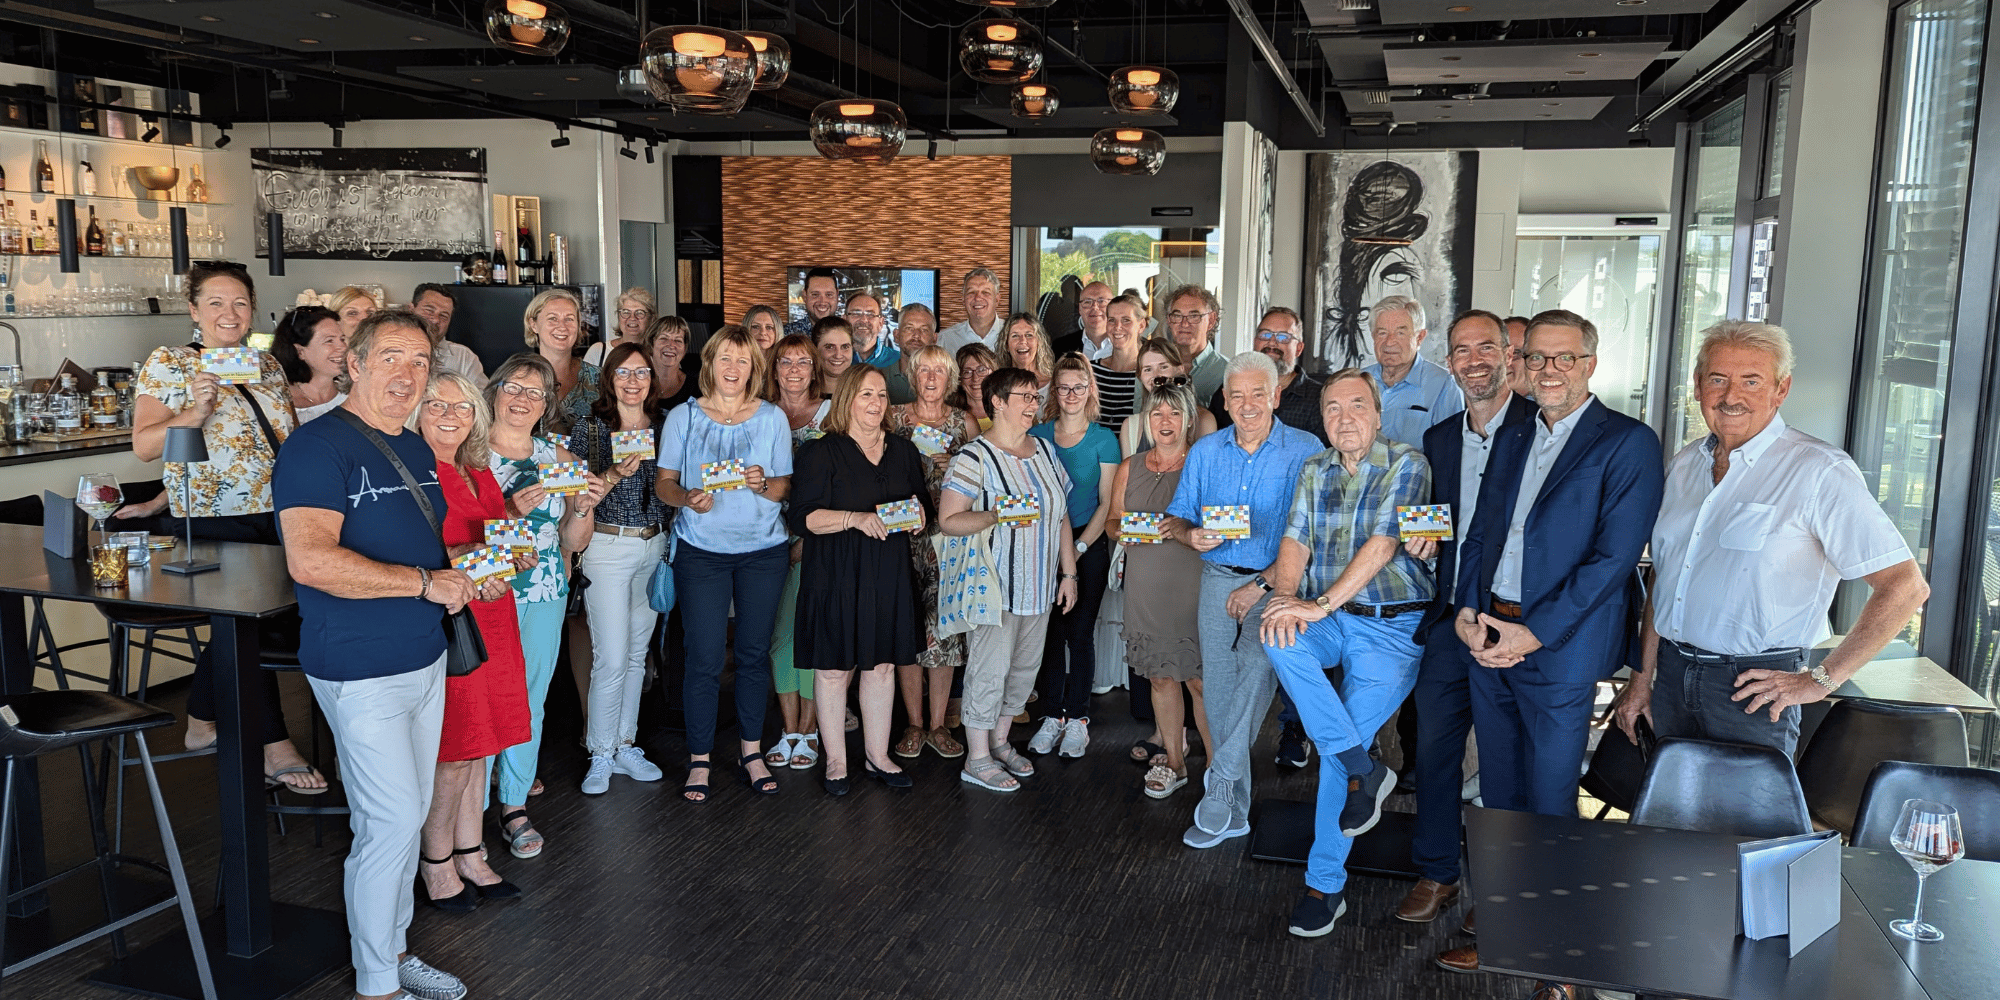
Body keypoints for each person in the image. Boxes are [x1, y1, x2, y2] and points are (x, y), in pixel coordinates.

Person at [1435, 310, 1664, 993]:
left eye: (1565, 359)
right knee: (1500, 798)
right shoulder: (1511, 435)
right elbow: (1479, 533)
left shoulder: (1628, 443)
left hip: (1556, 648)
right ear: (1521, 365)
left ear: (1591, 364)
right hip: (1489, 632)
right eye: (1537, 359)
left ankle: (1561, 954)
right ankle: (1506, 931)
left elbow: (1612, 559)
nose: (1549, 371)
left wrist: (1533, 634)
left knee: (1551, 796)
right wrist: (1468, 614)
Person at [1610, 321, 1929, 756]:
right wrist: (1643, 678)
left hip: (1755, 689)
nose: (1731, 396)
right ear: (1698, 386)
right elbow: (1666, 581)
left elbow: (1905, 586)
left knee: (1746, 823)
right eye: (1718, 379)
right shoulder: (1684, 465)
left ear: (1781, 390)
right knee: (1668, 821)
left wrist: (1820, 680)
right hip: (1669, 676)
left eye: (1751, 381)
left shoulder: (1819, 470)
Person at [273, 308, 471, 1000]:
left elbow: (420, 549)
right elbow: (311, 562)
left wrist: (462, 573)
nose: (406, 374)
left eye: (419, 360)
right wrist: (424, 583)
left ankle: (391, 949)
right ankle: (378, 984)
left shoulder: (416, 447)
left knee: (406, 816)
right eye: (390, 357)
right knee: (388, 824)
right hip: (357, 667)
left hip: (423, 656)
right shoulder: (314, 449)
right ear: (353, 363)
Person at [123, 262, 324, 792]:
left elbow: (267, 443)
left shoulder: (266, 365)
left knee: (266, 625)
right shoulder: (169, 363)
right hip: (216, 517)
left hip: (280, 512)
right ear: (193, 310)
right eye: (215, 303)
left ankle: (199, 719)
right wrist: (193, 411)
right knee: (247, 626)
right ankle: (274, 746)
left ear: (252, 309)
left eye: (239, 303)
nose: (228, 313)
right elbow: (146, 447)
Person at [1258, 370, 1434, 937]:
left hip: (1390, 627)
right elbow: (1295, 540)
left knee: (1334, 757)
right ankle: (1366, 766)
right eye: (1333, 408)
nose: (1344, 417)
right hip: (1332, 616)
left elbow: (1384, 544)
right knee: (1275, 631)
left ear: (1379, 415)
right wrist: (1286, 600)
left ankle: (1323, 885)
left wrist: (1318, 604)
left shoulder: (1407, 463)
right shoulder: (1315, 468)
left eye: (1357, 405)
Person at [1396, 309, 1536, 927]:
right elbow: (1441, 517)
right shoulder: (1440, 437)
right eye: (1462, 350)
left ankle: (1498, 894)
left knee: (1505, 761)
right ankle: (1437, 872)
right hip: (1449, 618)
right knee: (1433, 751)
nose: (1474, 359)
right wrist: (1421, 538)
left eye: (1487, 347)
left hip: (1511, 623)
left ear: (1510, 354)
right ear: (1447, 361)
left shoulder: (1541, 429)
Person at [1163, 352, 1322, 849]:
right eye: (1238, 395)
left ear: (1276, 396)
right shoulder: (1207, 452)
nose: (1248, 405)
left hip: (1278, 586)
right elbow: (1175, 519)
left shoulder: (1306, 449)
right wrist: (1191, 537)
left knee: (1256, 672)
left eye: (1259, 394)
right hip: (1216, 578)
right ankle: (1236, 812)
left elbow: (1312, 532)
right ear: (1225, 400)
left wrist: (1261, 585)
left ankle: (1220, 782)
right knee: (1221, 690)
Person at [411, 371, 533, 912]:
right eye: (436, 404)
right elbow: (418, 552)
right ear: (416, 409)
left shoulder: (477, 469)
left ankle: (471, 852)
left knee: (483, 742)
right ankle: (434, 862)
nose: (449, 415)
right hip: (449, 620)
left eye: (461, 407)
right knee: (455, 749)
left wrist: (514, 554)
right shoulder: (412, 469)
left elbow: (490, 537)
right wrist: (473, 560)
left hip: (493, 613)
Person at [657, 326, 794, 801]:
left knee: (754, 655)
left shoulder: (773, 418)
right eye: (724, 359)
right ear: (710, 363)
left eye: (743, 360)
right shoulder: (684, 417)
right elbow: (664, 484)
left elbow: (783, 489)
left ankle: (751, 750)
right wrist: (687, 498)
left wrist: (761, 484)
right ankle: (699, 758)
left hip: (763, 551)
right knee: (704, 657)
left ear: (754, 368)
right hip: (702, 553)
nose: (733, 369)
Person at [791, 366, 932, 794]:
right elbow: (803, 517)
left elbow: (922, 506)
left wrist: (919, 517)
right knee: (834, 670)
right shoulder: (820, 452)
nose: (876, 403)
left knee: (883, 665)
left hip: (887, 572)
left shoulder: (904, 452)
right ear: (847, 399)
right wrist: (855, 519)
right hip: (834, 573)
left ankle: (877, 754)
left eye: (883, 396)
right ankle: (836, 759)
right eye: (866, 394)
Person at [938, 366, 1079, 791]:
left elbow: (1061, 517)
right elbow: (948, 520)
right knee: (988, 671)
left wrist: (1068, 573)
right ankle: (976, 758)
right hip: (995, 587)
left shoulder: (1045, 450)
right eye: (1024, 397)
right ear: (997, 401)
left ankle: (1000, 743)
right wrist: (996, 516)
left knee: (1022, 671)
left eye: (1036, 397)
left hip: (1038, 585)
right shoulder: (973, 456)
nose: (1033, 404)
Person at [485, 353, 599, 860]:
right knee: (478, 693)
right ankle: (468, 801)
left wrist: (583, 506)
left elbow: (573, 540)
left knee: (530, 696)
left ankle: (512, 804)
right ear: (495, 390)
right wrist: (509, 509)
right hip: (485, 590)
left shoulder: (562, 459)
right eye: (514, 387)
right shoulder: (468, 453)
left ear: (547, 403)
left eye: (536, 393)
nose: (523, 399)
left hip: (546, 589)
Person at [569, 342, 669, 795]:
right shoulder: (589, 430)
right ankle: (600, 752)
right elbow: (574, 501)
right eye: (624, 373)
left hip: (654, 545)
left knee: (634, 656)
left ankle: (626, 744)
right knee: (609, 657)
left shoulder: (665, 427)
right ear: (608, 379)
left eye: (642, 373)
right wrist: (613, 474)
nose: (633, 382)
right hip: (607, 546)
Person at [1103, 381, 1210, 797]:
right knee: (1162, 678)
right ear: (1146, 420)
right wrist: (1125, 532)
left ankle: (1219, 770)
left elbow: (1219, 522)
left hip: (1195, 583)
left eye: (1174, 414)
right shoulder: (1131, 466)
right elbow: (1113, 521)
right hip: (1146, 584)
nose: (1165, 422)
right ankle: (1176, 762)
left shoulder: (1203, 462)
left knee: (1200, 681)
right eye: (1157, 414)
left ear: (1189, 420)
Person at [1026, 356, 1120, 758]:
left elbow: (1106, 504)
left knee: (1080, 634)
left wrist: (1078, 551)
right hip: (1042, 544)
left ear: (1090, 391)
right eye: (1063, 387)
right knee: (1048, 633)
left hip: (1088, 543)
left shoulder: (1104, 439)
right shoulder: (1037, 434)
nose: (1070, 395)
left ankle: (1078, 717)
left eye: (1079, 387)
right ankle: (1051, 715)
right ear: (1053, 392)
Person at [887, 344, 973, 760]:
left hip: (948, 539)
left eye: (940, 371)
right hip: (901, 536)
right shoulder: (893, 417)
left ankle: (939, 723)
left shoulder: (964, 422)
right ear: (912, 375)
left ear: (950, 378)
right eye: (924, 371)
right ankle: (914, 723)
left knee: (945, 630)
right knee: (906, 626)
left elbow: (983, 475)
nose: (932, 378)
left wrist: (955, 460)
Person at [765, 333, 829, 772]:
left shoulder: (831, 414)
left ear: (814, 368)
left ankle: (810, 730)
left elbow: (841, 481)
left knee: (808, 635)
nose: (793, 369)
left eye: (802, 362)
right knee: (776, 640)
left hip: (816, 540)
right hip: (765, 540)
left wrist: (808, 539)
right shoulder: (761, 413)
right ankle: (789, 730)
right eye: (785, 362)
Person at [1209, 307, 1328, 447]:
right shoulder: (1231, 388)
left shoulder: (1319, 398)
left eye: (1283, 337)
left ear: (1299, 348)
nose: (1272, 342)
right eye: (1265, 335)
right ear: (1255, 342)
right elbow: (1215, 443)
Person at [1363, 295, 1462, 449]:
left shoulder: (1443, 385)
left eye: (1400, 333)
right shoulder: (1359, 381)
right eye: (1382, 333)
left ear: (1420, 337)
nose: (1389, 342)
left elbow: (1450, 450)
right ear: (1373, 337)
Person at [1123, 337, 1219, 453]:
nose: (1156, 375)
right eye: (1148, 369)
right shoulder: (1131, 425)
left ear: (1180, 369)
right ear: (1140, 377)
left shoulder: (1204, 420)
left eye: (1163, 367)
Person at [524, 288, 597, 436]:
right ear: (534, 325)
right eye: (553, 318)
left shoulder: (599, 378)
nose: (562, 327)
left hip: (589, 460)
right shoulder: (516, 379)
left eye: (569, 319)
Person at [272, 304, 347, 423]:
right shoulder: (278, 404)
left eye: (342, 339)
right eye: (329, 341)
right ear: (300, 351)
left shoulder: (352, 393)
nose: (343, 347)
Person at [1162, 285, 1228, 404]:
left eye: (1194, 316)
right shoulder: (1154, 366)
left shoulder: (1227, 372)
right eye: (1177, 316)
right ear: (1169, 320)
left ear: (1211, 320)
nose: (1184, 324)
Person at [1089, 294, 1145, 433]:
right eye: (1112, 320)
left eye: (1126, 320)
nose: (1117, 327)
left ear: (1141, 325)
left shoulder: (1148, 374)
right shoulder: (1090, 370)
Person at [412, 283, 486, 388]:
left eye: (443, 316)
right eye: (429, 311)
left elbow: (482, 400)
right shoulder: (388, 350)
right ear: (411, 309)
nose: (436, 320)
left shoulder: (464, 358)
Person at [879, 301, 937, 405]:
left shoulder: (947, 380)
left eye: (924, 330)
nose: (916, 336)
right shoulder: (879, 377)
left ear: (934, 339)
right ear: (896, 336)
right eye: (909, 328)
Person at [940, 267, 1005, 353]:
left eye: (985, 292)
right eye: (971, 292)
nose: (978, 298)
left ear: (997, 300)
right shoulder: (945, 339)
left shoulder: (1011, 334)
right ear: (963, 299)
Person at [585, 286, 656, 366]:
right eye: (626, 312)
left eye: (639, 312)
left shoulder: (657, 354)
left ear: (651, 319)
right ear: (619, 317)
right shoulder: (598, 351)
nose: (632, 318)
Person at [1053, 280, 1115, 361]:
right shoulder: (1060, 347)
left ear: (1113, 307)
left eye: (1102, 301)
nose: (1095, 307)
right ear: (1080, 309)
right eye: (1087, 302)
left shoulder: (1127, 346)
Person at [648, 315, 697, 412]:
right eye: (664, 338)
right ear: (652, 343)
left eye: (678, 340)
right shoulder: (636, 381)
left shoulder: (697, 387)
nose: (671, 345)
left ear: (684, 348)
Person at [950, 343, 999, 431]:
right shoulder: (948, 416)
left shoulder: (1008, 411)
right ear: (959, 378)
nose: (975, 378)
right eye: (967, 372)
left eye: (982, 370)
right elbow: (925, 443)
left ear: (994, 372)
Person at [1004, 312, 1056, 395]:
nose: (1023, 341)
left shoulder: (1054, 386)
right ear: (1006, 345)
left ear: (1039, 342)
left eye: (1029, 335)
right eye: (1015, 336)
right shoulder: (998, 386)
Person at [847, 290, 899, 370]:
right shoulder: (835, 362)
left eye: (870, 314)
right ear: (844, 320)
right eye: (856, 313)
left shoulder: (898, 362)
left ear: (881, 323)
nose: (863, 320)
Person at [788, 267, 842, 336]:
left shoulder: (849, 334)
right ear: (805, 296)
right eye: (815, 295)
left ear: (837, 295)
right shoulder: (787, 335)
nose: (822, 302)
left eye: (829, 295)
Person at [811, 315, 855, 397]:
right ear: (814, 349)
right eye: (829, 347)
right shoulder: (800, 394)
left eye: (845, 347)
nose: (838, 355)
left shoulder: (864, 391)